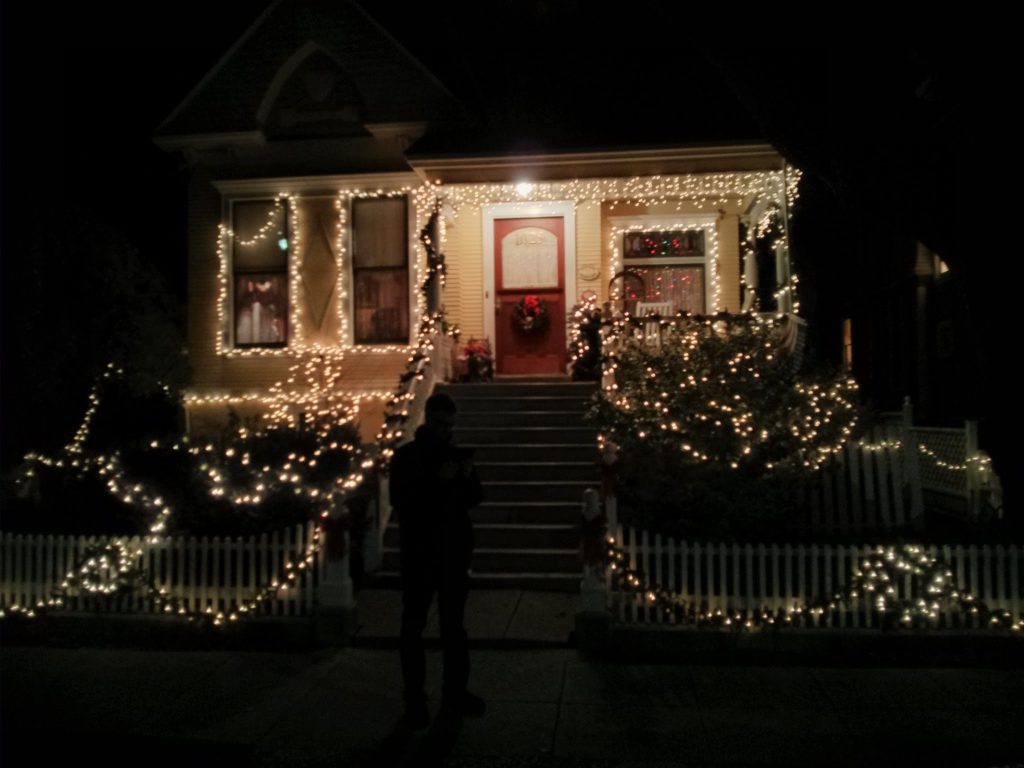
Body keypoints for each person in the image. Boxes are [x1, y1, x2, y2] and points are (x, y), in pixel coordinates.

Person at [389, 393, 485, 731]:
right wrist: (437, 480)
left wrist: (467, 475)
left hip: (454, 552)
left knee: (454, 627)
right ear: (428, 420)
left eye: (451, 425)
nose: (446, 430)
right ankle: (415, 701)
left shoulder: (453, 454)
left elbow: (475, 498)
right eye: (442, 424)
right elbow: (403, 502)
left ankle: (455, 693)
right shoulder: (407, 458)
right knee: (413, 627)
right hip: (420, 554)